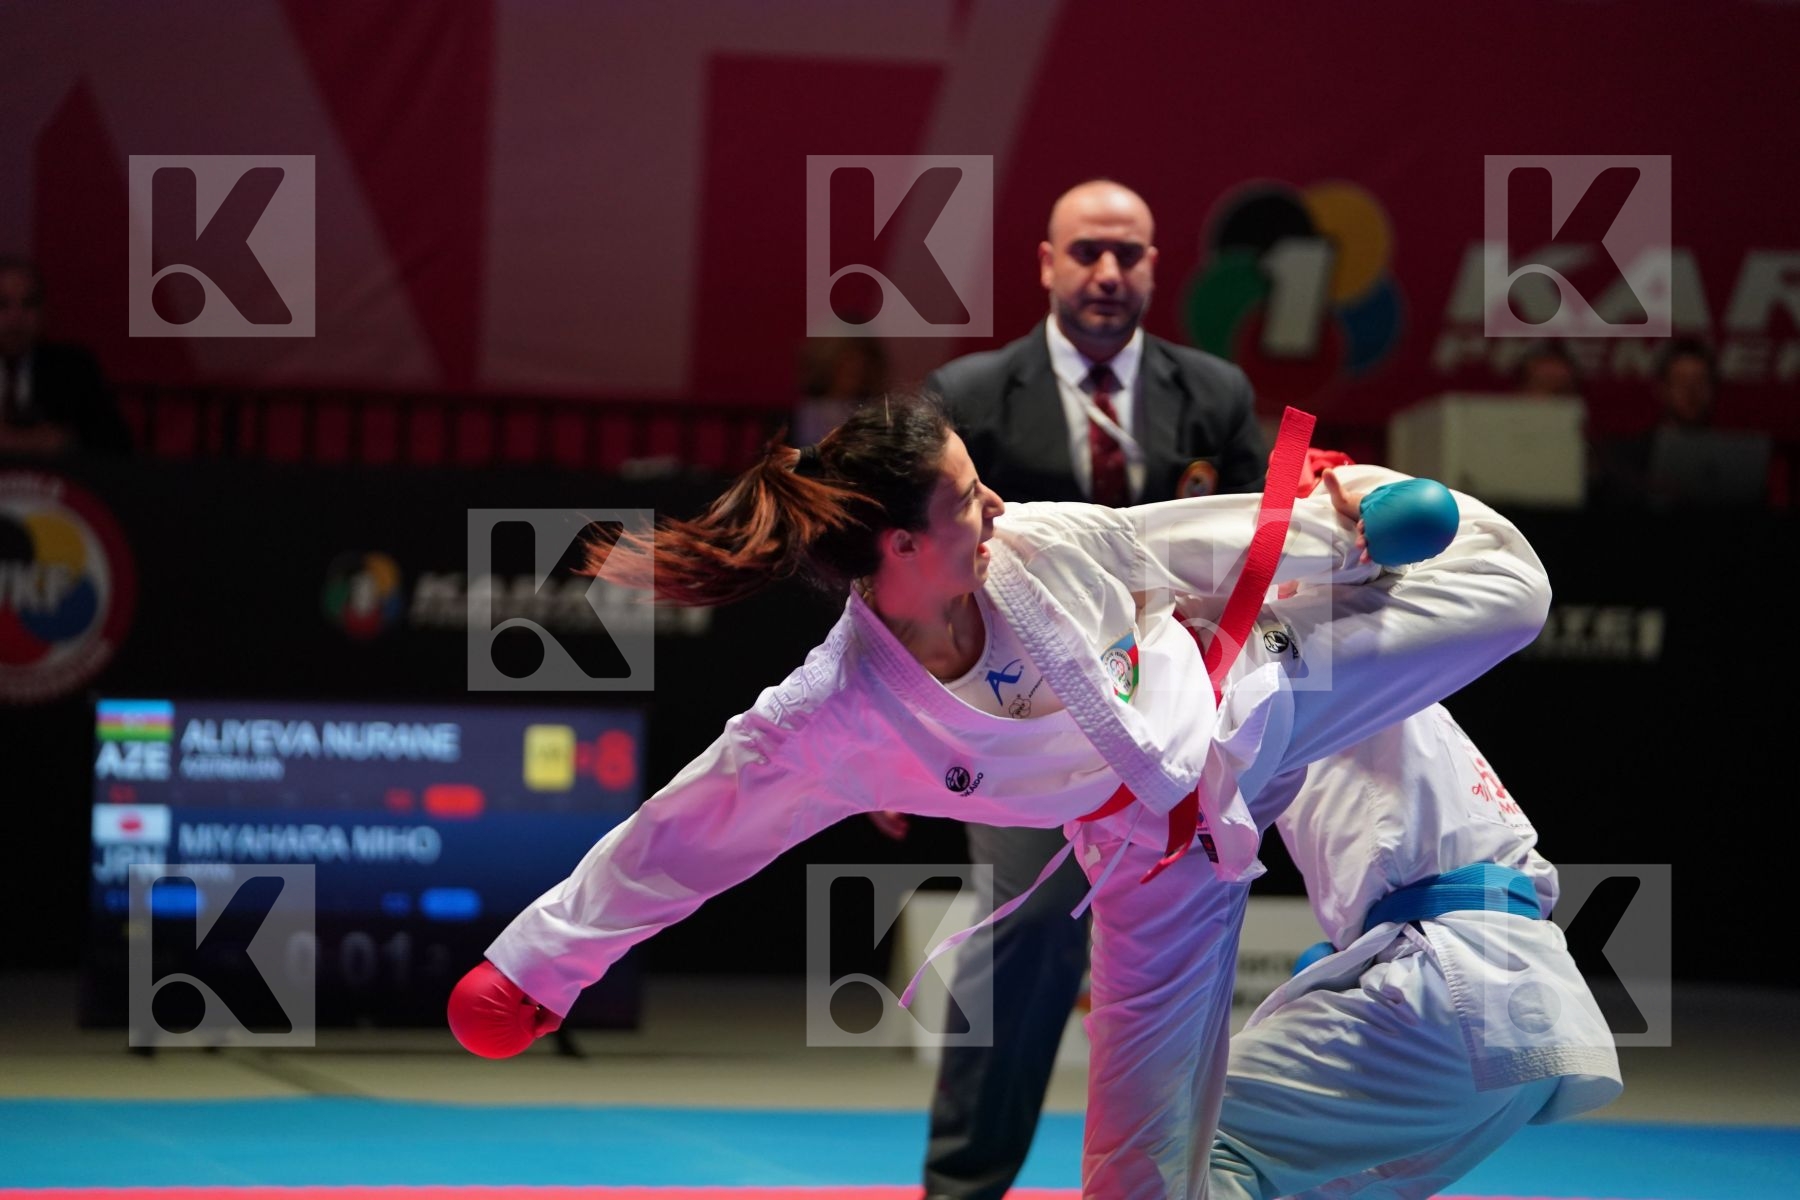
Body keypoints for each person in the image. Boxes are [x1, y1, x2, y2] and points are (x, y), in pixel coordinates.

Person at [446, 394, 1552, 1199]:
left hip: (1256, 696)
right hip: (1151, 862)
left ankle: (1365, 513)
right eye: (969, 498)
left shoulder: (1042, 546)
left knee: (1511, 589)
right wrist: (539, 966)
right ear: (901, 546)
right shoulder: (835, 714)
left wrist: (1346, 518)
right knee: (1134, 1181)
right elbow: (684, 836)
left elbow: (1194, 542)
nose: (996, 505)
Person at [910, 178, 1267, 1200]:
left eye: (1129, 254)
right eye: (1086, 254)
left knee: (1205, 945)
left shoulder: (1217, 397)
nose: (1108, 274)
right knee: (1028, 925)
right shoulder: (968, 398)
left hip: (1192, 721)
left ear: (1157, 266)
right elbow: (909, 576)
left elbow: (1258, 563)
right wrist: (903, 744)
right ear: (1046, 263)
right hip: (1022, 722)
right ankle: (962, 1191)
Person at [1211, 700, 1623, 1198]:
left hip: (1453, 989)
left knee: (1187, 1127)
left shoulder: (1332, 664)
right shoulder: (1410, 712)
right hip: (1525, 999)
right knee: (1307, 1185)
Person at [0, 256, 131, 456]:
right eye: (3, 305)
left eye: (29, 304)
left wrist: (65, 440)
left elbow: (116, 444)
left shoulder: (73, 368)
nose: (16, 319)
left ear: (44, 311)